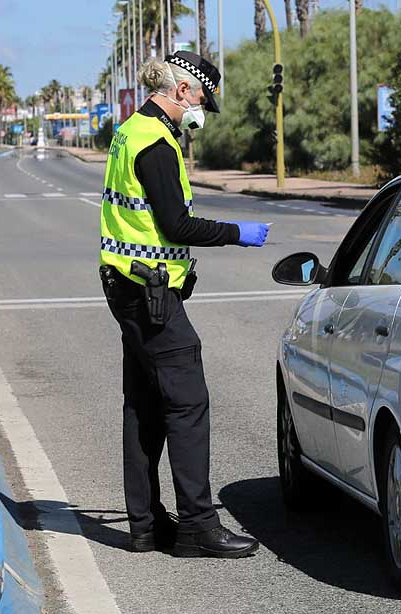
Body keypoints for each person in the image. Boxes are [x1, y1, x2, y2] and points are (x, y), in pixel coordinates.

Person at [99, 51, 269, 559]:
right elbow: (177, 225)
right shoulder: (155, 143)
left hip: (128, 285)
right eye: (200, 98)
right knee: (188, 403)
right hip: (149, 295)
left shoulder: (131, 129)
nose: (200, 110)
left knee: (145, 406)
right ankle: (197, 524)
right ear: (180, 91)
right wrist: (238, 232)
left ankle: (146, 526)